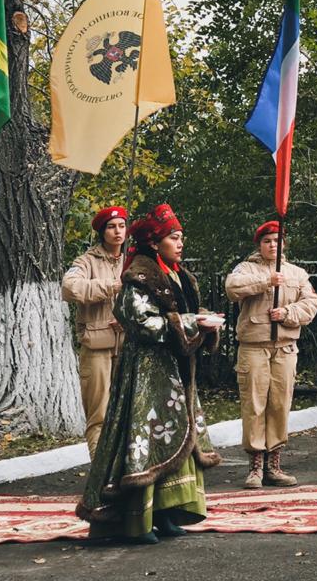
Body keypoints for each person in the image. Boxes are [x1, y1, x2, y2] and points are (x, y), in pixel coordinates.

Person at [77, 204, 223, 542]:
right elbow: (141, 323)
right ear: (155, 244)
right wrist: (190, 322)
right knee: (147, 437)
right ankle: (136, 520)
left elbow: (180, 314)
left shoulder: (180, 274)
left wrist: (202, 320)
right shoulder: (137, 276)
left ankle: (169, 514)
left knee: (176, 433)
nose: (180, 242)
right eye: (174, 237)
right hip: (146, 371)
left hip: (176, 369)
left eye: (181, 237)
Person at [225, 220, 317, 489]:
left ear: (284, 244)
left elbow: (310, 306)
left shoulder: (297, 273)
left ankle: (273, 465)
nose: (272, 245)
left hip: (285, 348)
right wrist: (267, 281)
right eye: (267, 241)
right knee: (254, 405)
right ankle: (255, 466)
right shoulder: (246, 268)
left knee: (280, 405)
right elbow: (232, 288)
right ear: (259, 245)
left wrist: (287, 314)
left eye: (277, 241)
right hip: (253, 347)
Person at [62, 205, 128, 455]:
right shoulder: (86, 261)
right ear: (102, 231)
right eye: (111, 227)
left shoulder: (132, 260)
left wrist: (128, 318)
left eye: (121, 226)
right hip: (97, 346)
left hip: (128, 345)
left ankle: (123, 472)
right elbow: (70, 288)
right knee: (99, 414)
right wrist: (111, 286)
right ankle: (100, 473)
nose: (117, 231)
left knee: (127, 413)